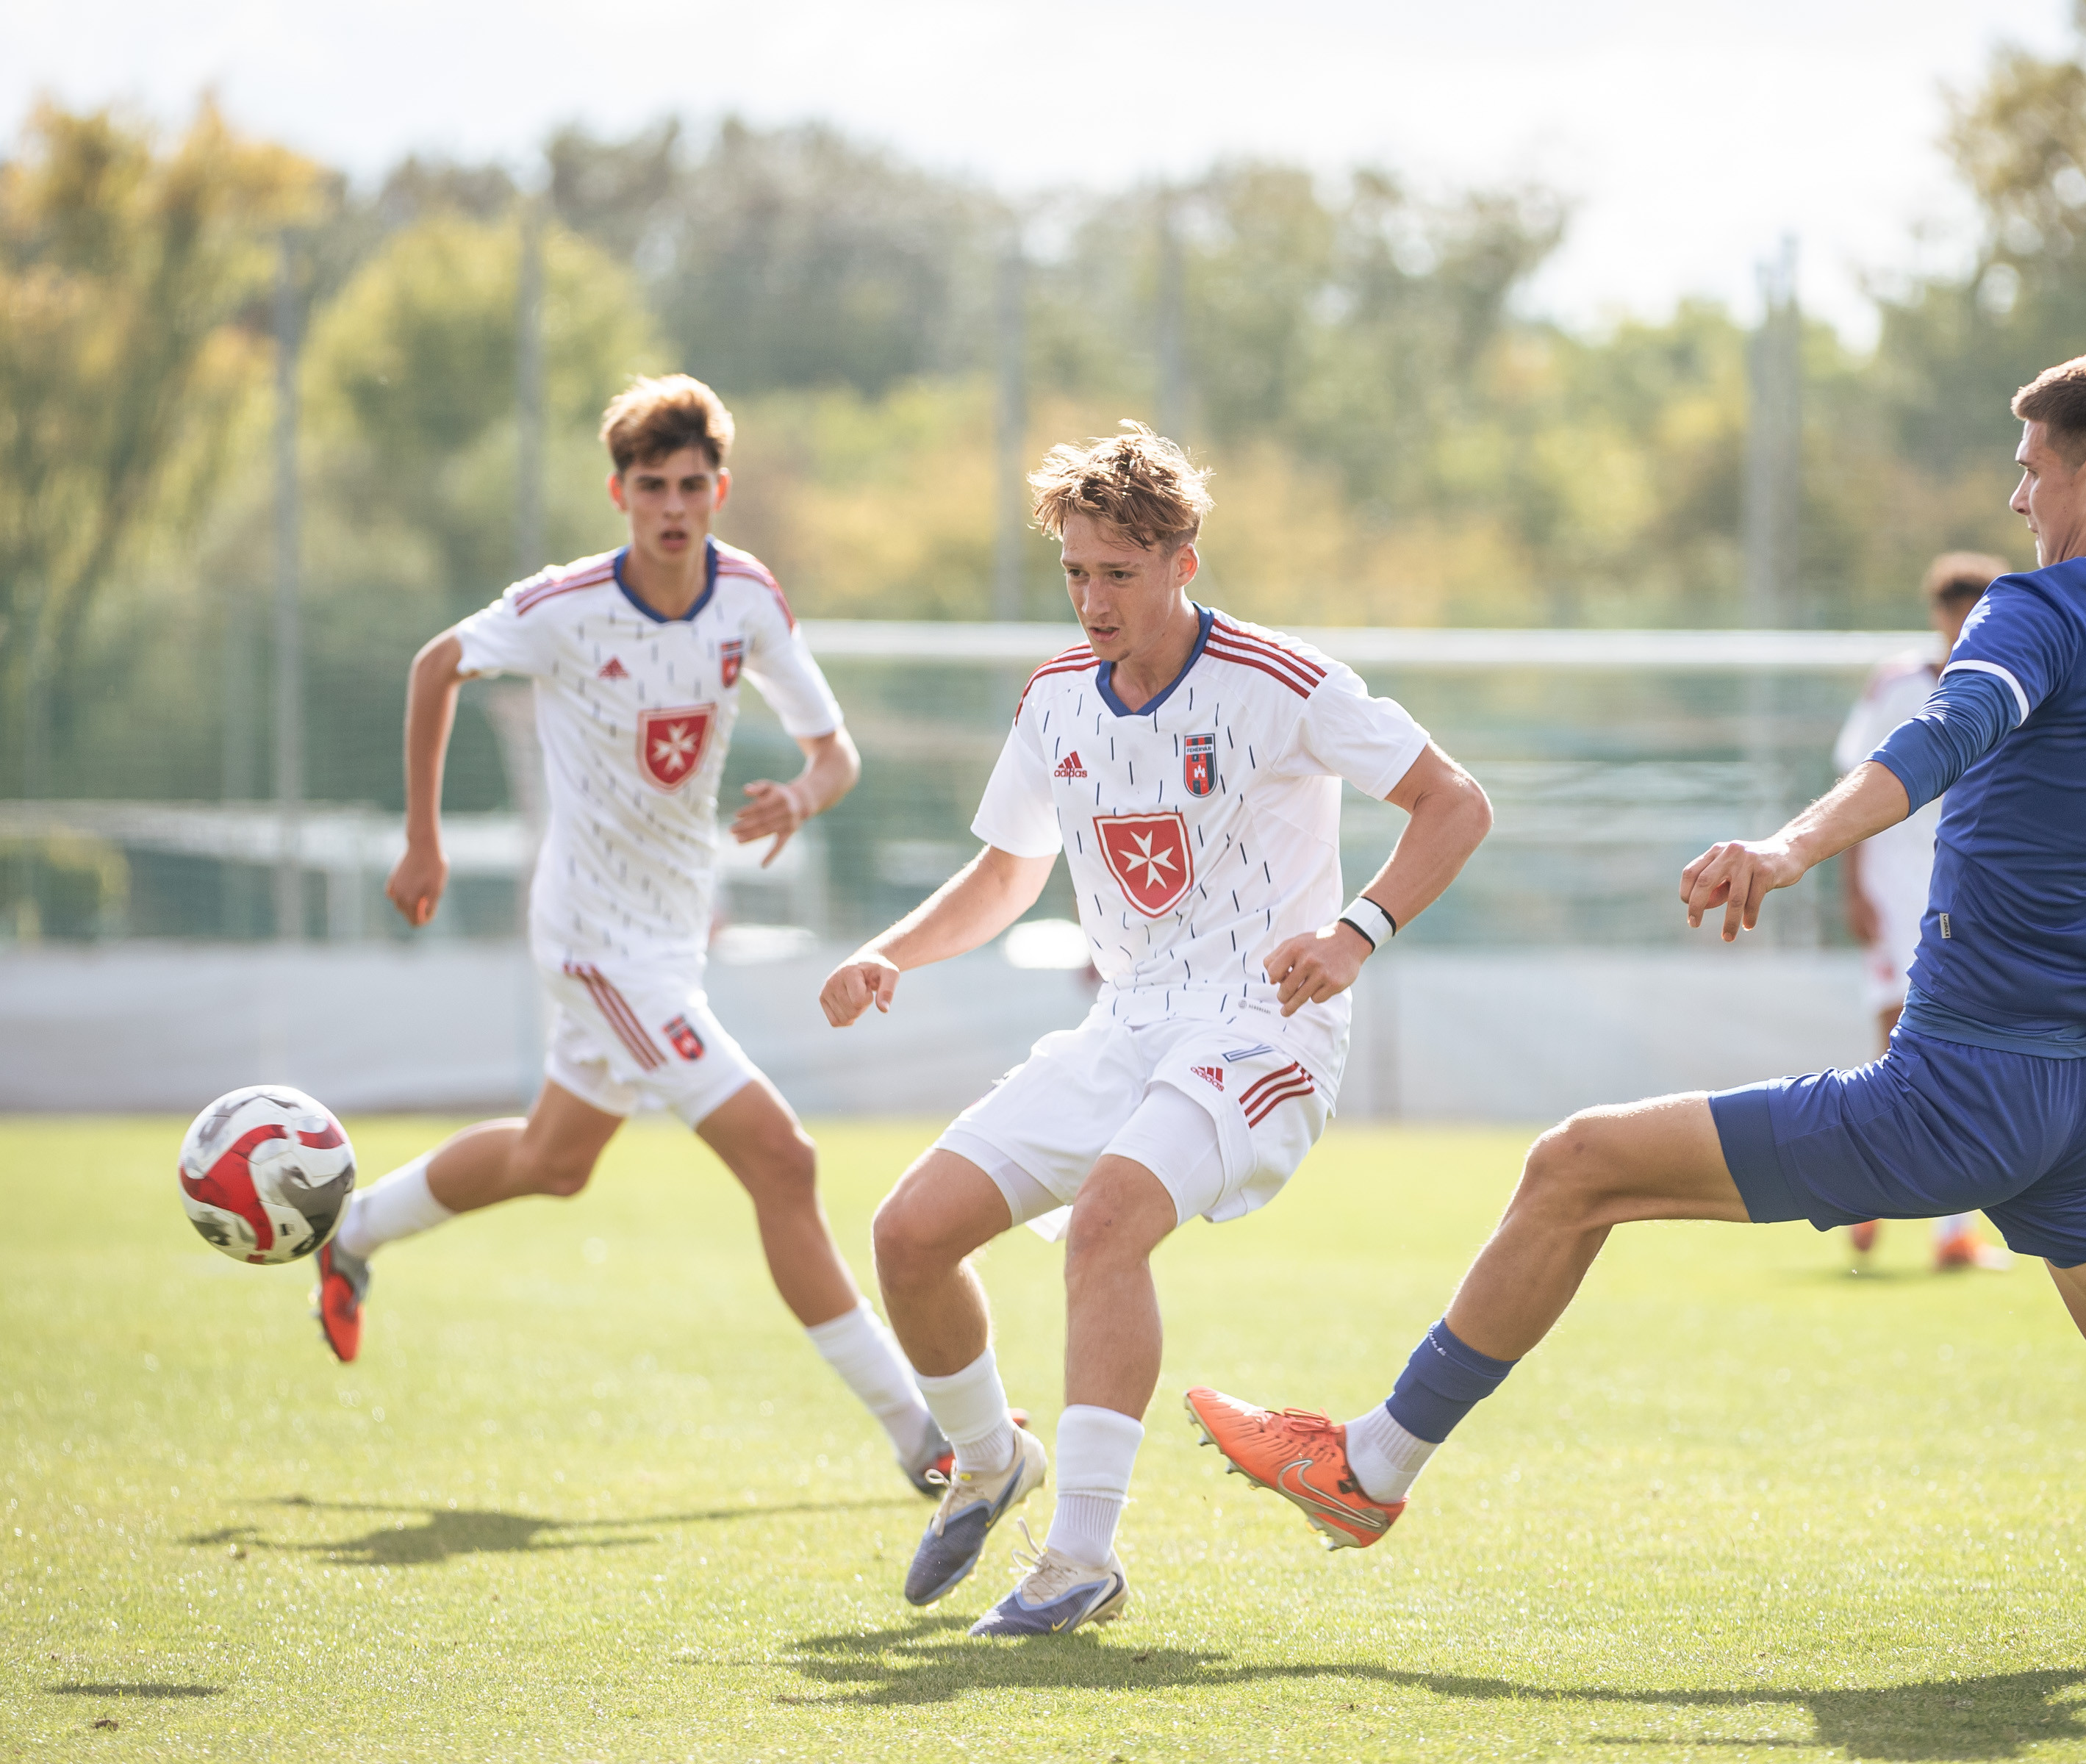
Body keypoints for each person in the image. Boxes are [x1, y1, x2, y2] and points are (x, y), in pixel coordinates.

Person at [1186, 226, 2086, 1656]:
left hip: (1963, 1086)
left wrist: (1785, 849)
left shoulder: (2042, 610)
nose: (2017, 495)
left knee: (1575, 1168)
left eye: (2033, 469)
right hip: (2077, 1097)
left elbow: (1939, 739)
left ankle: (1369, 1470)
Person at [818, 423, 1491, 1638]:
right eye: (1076, 573)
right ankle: (989, 1459)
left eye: (1118, 574)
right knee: (910, 1235)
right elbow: (1007, 873)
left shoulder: (1279, 680)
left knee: (1110, 1222)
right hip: (1121, 1026)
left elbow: (1456, 801)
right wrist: (891, 953)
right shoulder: (1055, 701)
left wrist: (1355, 935)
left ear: (1184, 562)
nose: (1093, 602)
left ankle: (1079, 1559)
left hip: (1266, 1029)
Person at [316, 374, 952, 1497]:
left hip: (671, 936)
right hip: (596, 944)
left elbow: (836, 755)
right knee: (784, 1160)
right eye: (651, 486)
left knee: (552, 1162)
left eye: (691, 486)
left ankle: (355, 1233)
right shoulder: (564, 606)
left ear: (720, 491)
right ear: (619, 494)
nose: (672, 506)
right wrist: (422, 840)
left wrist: (802, 798)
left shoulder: (747, 597)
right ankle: (923, 1438)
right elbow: (436, 664)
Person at [1834, 553, 2007, 1271]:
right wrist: (1852, 885)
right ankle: (1865, 1189)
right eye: (1954, 611)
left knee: (1963, 1051)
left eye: (1978, 610)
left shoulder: (2010, 679)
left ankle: (1951, 1232)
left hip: (1965, 890)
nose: (1963, 624)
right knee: (1896, 1049)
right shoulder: (1896, 683)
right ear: (1938, 615)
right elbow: (1853, 783)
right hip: (1892, 886)